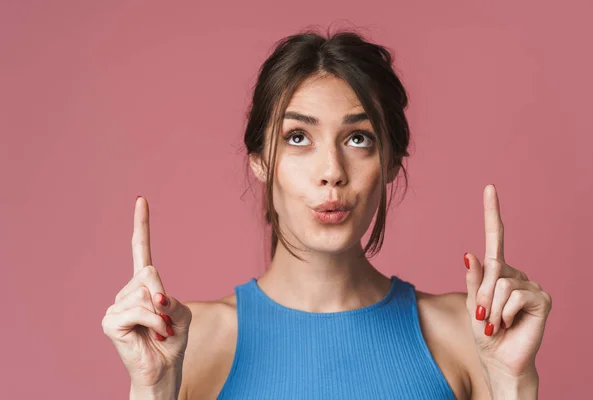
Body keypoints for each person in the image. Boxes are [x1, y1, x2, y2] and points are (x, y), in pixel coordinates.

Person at [101, 28, 552, 400]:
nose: (332, 173)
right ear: (259, 159)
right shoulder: (191, 342)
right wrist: (153, 388)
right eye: (298, 137)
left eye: (359, 139)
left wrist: (512, 379)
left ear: (391, 161)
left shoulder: (463, 334)